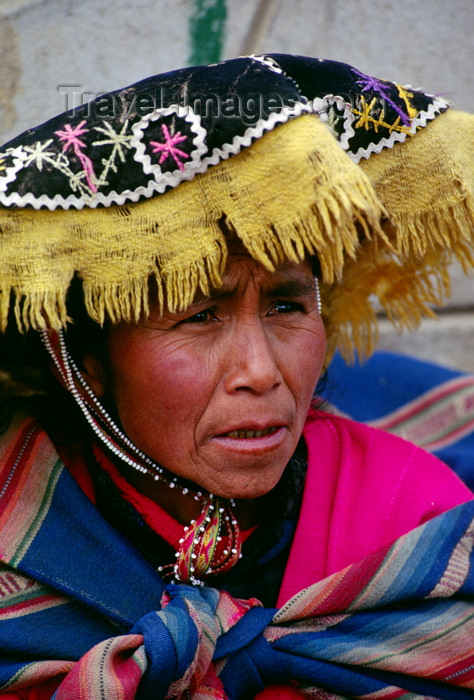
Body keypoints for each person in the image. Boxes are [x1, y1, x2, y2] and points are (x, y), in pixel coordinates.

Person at [0, 54, 473, 699]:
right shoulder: (14, 524)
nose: (260, 372)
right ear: (89, 365)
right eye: (200, 317)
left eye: (286, 307)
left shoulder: (408, 514)